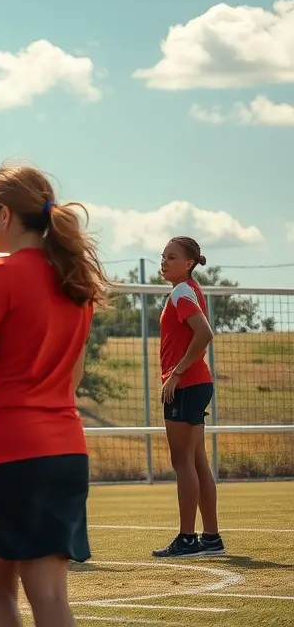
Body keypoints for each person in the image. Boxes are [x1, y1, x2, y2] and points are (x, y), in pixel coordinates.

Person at [0, 163, 108, 627]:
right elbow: (72, 377)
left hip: (6, 450)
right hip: (64, 450)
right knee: (50, 595)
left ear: (5, 214)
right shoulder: (73, 280)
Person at [153, 236, 224, 558]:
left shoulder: (183, 292)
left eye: (172, 257)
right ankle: (211, 538)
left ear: (189, 263)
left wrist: (177, 373)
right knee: (197, 462)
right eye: (163, 256)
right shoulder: (187, 291)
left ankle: (187, 538)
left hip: (187, 385)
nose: (164, 261)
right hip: (196, 385)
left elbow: (205, 333)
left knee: (183, 463)